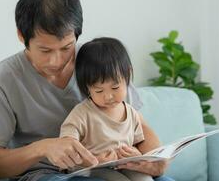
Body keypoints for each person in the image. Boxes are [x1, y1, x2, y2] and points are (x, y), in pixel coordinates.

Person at [0, 0, 173, 181]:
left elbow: (140, 125)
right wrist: (42, 148)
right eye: (45, 50)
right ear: (22, 36)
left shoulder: (99, 62)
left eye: (67, 47)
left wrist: (157, 161)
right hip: (45, 174)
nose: (57, 61)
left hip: (115, 167)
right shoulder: (3, 79)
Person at [60, 37, 153, 181]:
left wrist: (136, 155)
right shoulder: (82, 113)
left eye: (115, 87)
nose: (108, 96)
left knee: (145, 179)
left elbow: (139, 145)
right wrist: (93, 159)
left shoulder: (131, 113)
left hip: (123, 166)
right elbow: (66, 146)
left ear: (127, 75)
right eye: (98, 91)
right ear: (87, 88)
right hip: (92, 170)